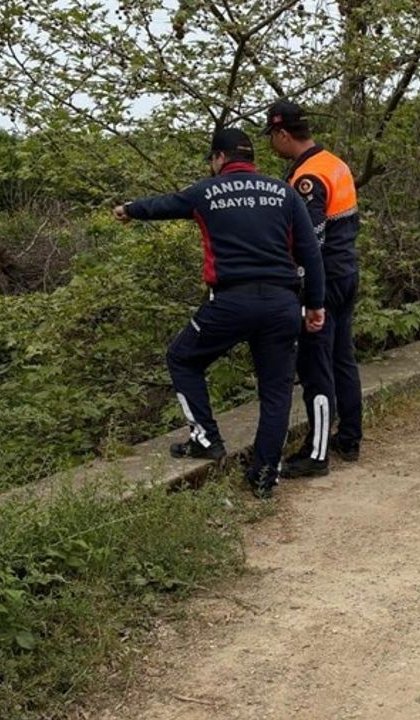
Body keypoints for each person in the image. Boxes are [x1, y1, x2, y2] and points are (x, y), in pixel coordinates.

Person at [112, 128, 326, 499]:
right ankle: (264, 477)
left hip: (231, 302)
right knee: (276, 392)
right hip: (282, 304)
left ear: (220, 158)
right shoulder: (285, 192)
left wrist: (129, 210)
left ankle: (205, 438)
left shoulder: (205, 192)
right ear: (251, 158)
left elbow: (164, 205)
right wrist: (316, 304)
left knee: (182, 357)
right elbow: (310, 252)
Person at [262, 100, 363, 477]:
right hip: (346, 271)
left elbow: (311, 240)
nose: (272, 144)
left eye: (272, 137)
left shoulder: (308, 178)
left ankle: (316, 455)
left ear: (282, 134)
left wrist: (304, 290)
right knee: (342, 359)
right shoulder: (335, 164)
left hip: (323, 280)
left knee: (315, 366)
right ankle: (349, 437)